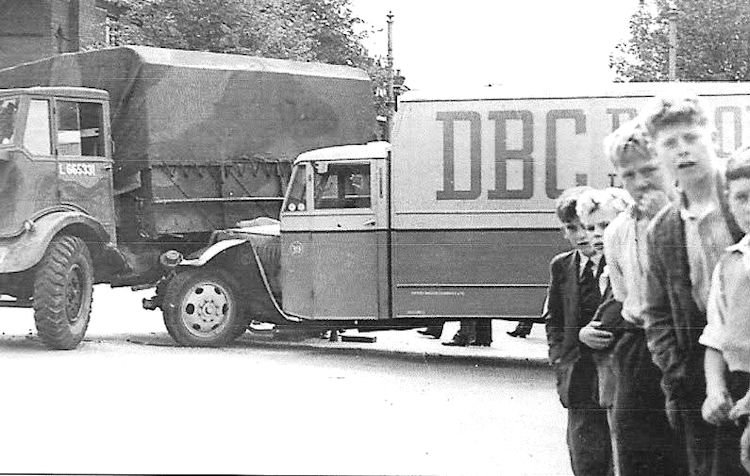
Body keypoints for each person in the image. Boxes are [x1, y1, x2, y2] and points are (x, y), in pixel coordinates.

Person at [642, 93, 745, 475]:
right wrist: (681, 378)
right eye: (670, 143)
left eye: (691, 137)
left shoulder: (742, 201)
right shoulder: (663, 229)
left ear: (712, 139)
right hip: (701, 380)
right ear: (658, 155)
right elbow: (656, 316)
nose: (682, 150)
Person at [579, 119, 684, 476]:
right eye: (628, 175)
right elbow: (623, 296)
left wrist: (663, 220)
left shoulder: (692, 219)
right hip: (639, 348)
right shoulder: (617, 232)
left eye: (649, 170)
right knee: (637, 453)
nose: (640, 183)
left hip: (687, 344)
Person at [544, 185, 613, 476]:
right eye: (571, 228)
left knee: (618, 456)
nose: (582, 235)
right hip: (579, 377)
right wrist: (560, 358)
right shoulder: (562, 266)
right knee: (585, 458)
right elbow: (554, 319)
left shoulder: (617, 262)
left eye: (586, 226)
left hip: (613, 374)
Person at [700, 145, 750, 474]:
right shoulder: (730, 262)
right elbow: (716, 337)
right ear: (729, 203)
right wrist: (715, 388)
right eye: (741, 197)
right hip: (738, 391)